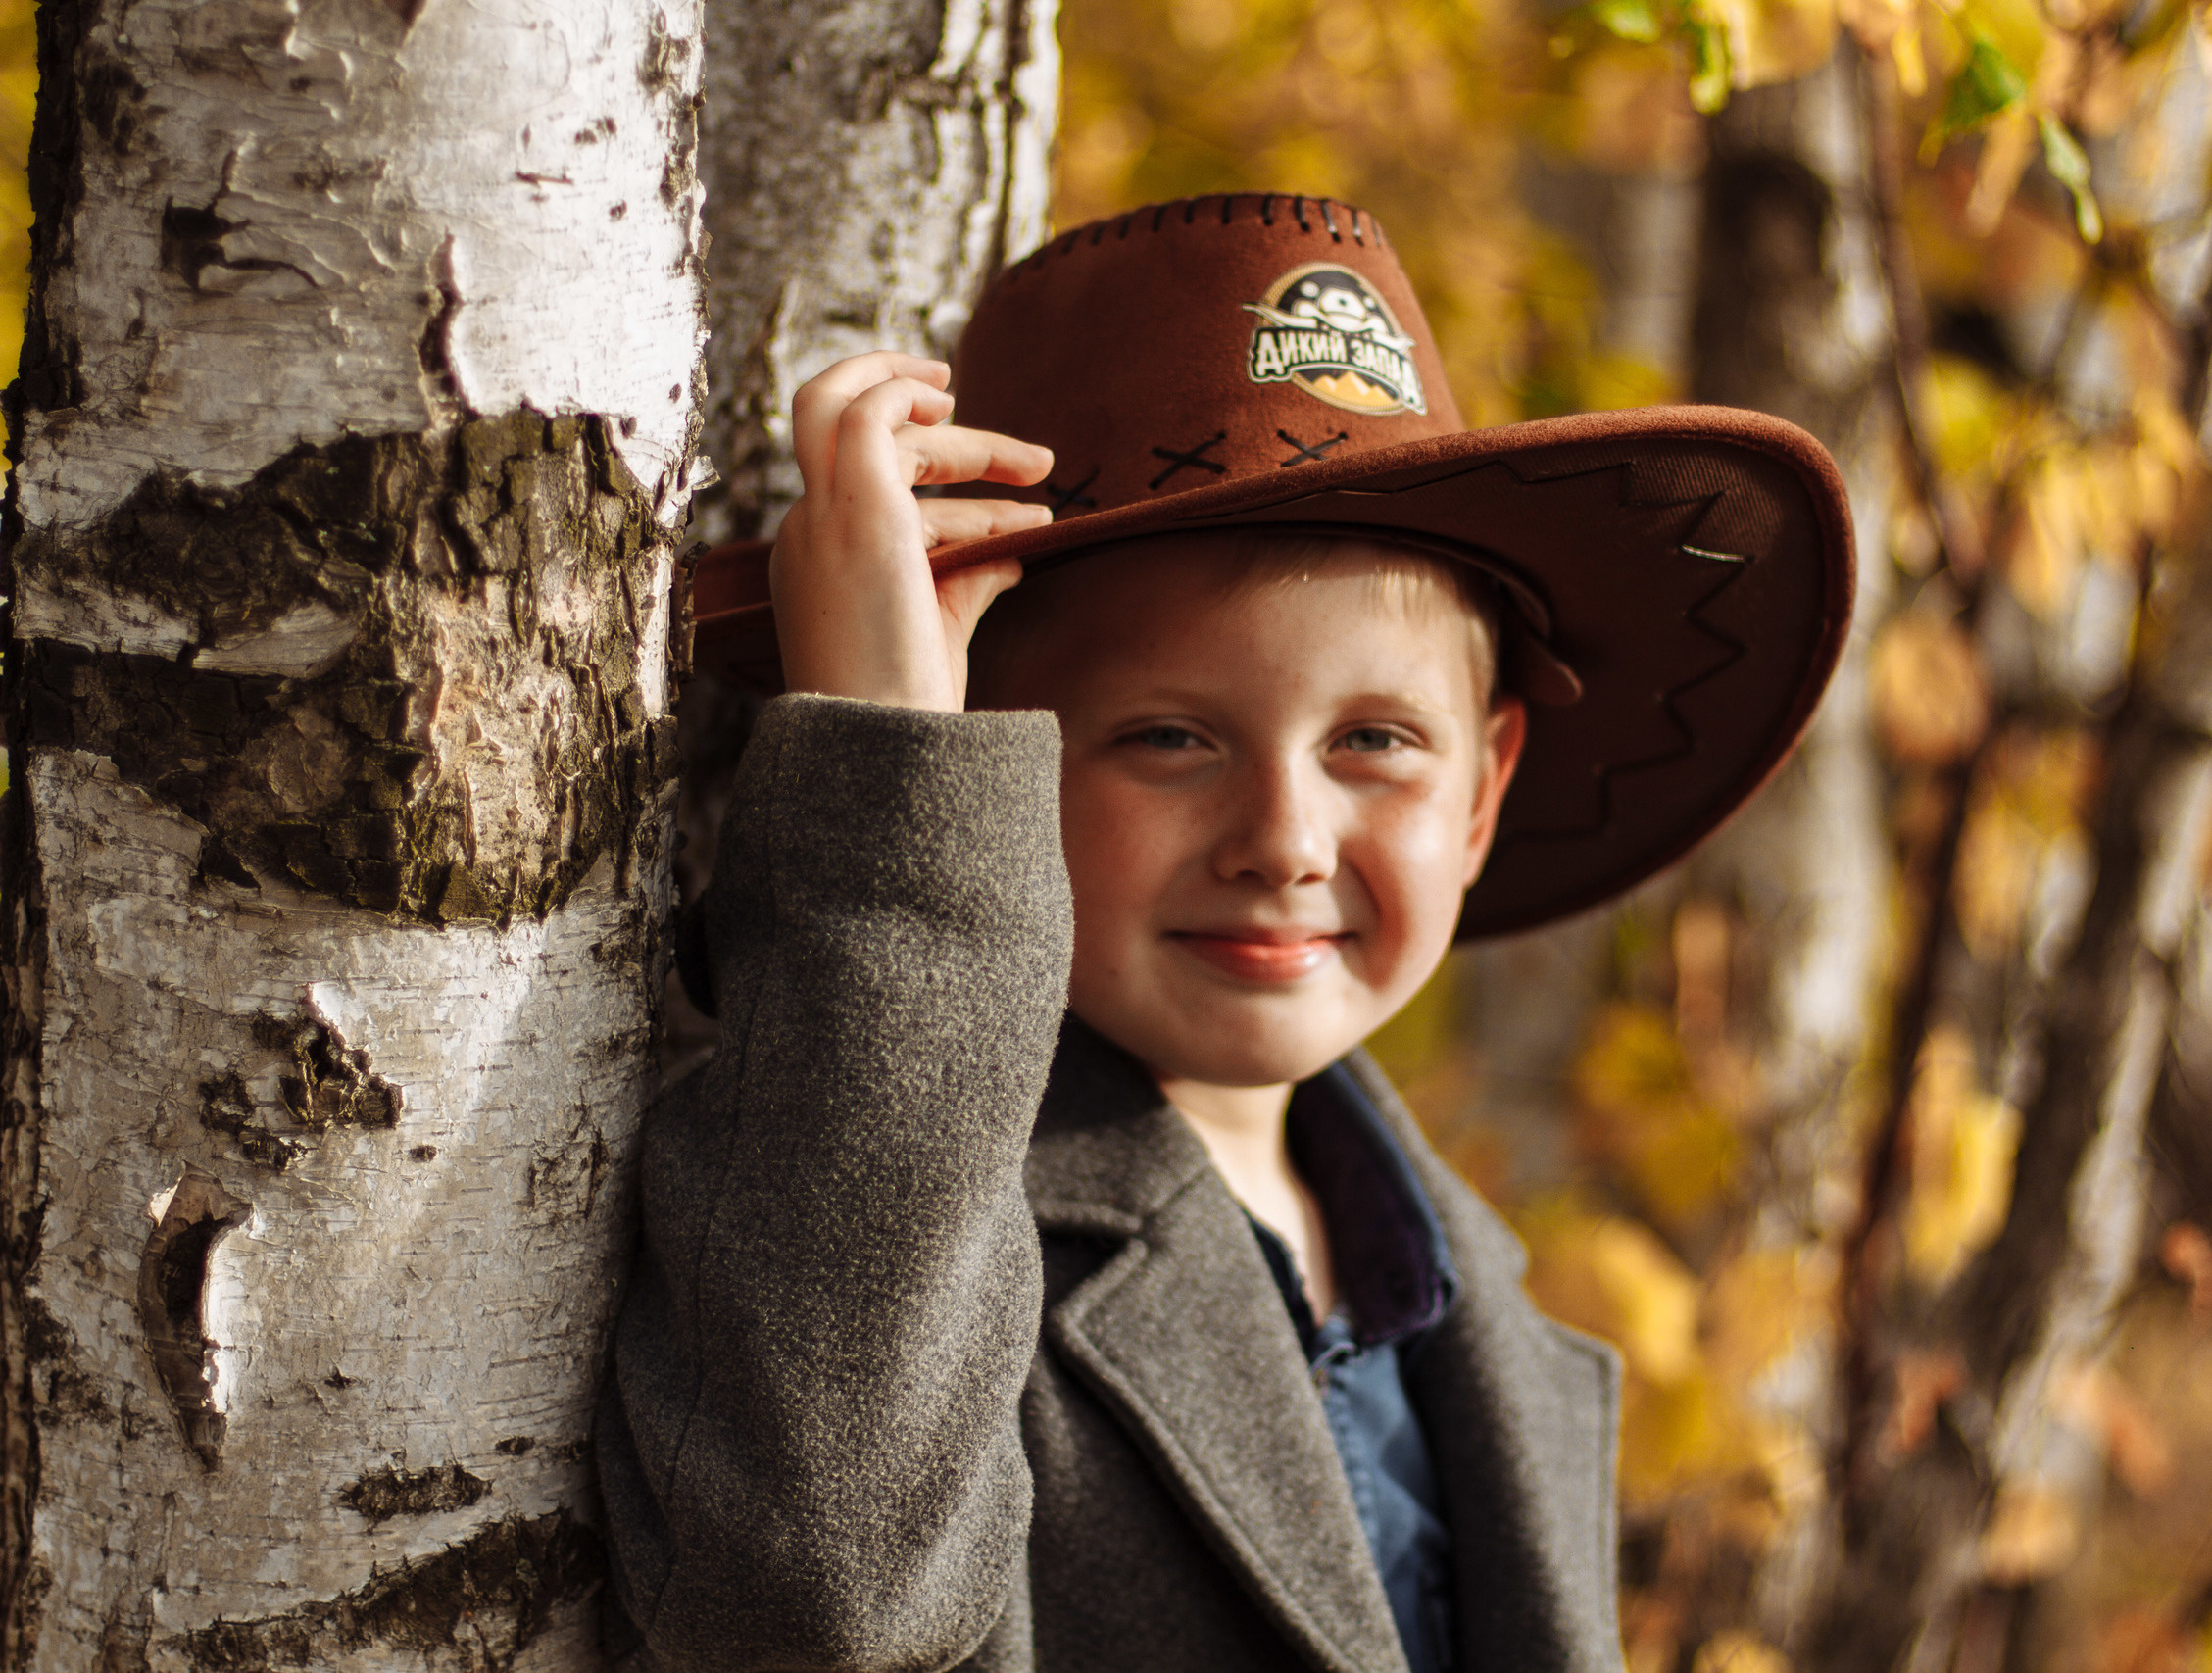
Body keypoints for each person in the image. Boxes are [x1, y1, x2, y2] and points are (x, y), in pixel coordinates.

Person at [596, 193, 1854, 1673]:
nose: (1283, 840)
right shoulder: (868, 1220)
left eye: (1377, 740)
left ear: (1485, 787)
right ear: (986, 759)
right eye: (1171, 738)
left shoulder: (1468, 1301)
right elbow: (814, 1610)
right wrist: (891, 779)